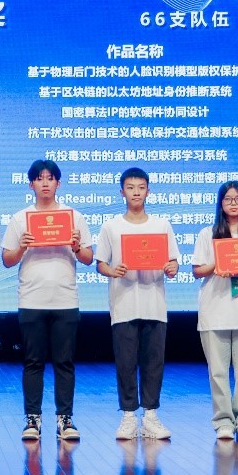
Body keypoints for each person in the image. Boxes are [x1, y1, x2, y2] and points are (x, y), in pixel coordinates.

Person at [2, 159, 93, 442]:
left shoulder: (74, 217)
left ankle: (65, 419)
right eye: (39, 178)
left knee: (64, 362)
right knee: (33, 362)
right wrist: (22, 247)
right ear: (31, 184)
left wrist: (76, 246)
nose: (45, 183)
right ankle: (33, 418)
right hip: (32, 298)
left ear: (58, 183)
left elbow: (88, 258)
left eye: (50, 178)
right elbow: (7, 260)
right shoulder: (21, 218)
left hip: (65, 298)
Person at [94, 167, 179, 440]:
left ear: (148, 191)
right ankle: (128, 416)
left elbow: (174, 261)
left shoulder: (161, 225)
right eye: (130, 188)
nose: (136, 193)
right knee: (126, 362)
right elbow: (100, 264)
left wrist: (172, 268)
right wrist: (112, 271)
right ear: (122, 192)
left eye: (141, 187)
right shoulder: (111, 226)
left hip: (155, 304)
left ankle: (150, 416)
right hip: (123, 304)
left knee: (154, 362)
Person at [191, 181, 238, 441]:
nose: (233, 203)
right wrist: (218, 264)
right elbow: (197, 270)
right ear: (220, 203)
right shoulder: (208, 233)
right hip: (215, 309)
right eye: (228, 199)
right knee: (218, 371)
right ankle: (223, 421)